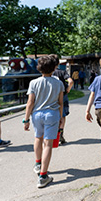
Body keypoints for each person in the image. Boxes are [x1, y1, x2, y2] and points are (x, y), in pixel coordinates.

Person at [23, 55, 65, 188]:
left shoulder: (33, 83)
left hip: (37, 114)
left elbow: (30, 102)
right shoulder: (58, 83)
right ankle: (43, 176)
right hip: (52, 114)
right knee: (48, 144)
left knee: (38, 138)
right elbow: (60, 102)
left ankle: (37, 163)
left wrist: (26, 119)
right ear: (54, 68)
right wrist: (60, 118)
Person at [51, 55, 73, 145]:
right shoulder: (62, 72)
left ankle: (52, 135)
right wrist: (68, 89)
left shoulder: (49, 73)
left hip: (52, 97)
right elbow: (71, 81)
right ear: (58, 63)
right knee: (62, 115)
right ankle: (60, 134)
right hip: (62, 95)